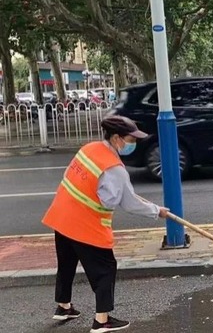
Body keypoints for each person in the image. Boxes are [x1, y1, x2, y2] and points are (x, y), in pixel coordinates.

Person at [42, 115, 169, 333]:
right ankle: (102, 320)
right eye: (131, 139)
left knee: (66, 263)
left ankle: (64, 307)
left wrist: (122, 192)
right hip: (84, 224)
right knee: (105, 268)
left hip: (61, 216)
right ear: (117, 138)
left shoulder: (89, 149)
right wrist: (157, 211)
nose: (134, 143)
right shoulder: (115, 169)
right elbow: (127, 203)